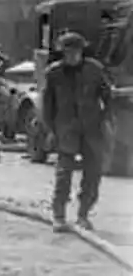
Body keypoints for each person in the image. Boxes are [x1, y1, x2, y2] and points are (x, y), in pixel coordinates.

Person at [42, 31, 112, 232]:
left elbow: (107, 96)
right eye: (68, 52)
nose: (72, 55)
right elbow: (47, 104)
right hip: (66, 130)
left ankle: (83, 214)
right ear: (62, 52)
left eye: (76, 51)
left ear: (82, 51)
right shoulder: (53, 73)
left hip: (92, 129)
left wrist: (105, 119)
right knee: (63, 174)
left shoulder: (94, 70)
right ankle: (59, 216)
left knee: (93, 174)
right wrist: (50, 129)